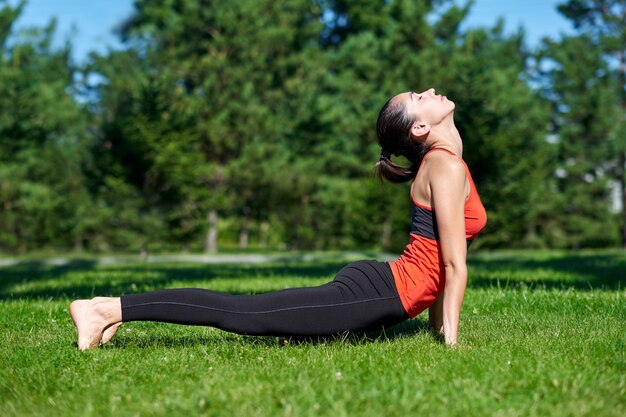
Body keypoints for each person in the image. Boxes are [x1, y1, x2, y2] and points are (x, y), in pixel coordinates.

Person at [70, 88, 487, 350]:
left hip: (382, 287)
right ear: (419, 127)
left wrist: (435, 329)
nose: (429, 91)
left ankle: (109, 312)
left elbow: (443, 263)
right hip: (376, 294)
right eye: (418, 96)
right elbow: (451, 265)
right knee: (245, 314)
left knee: (276, 323)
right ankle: (104, 309)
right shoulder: (445, 166)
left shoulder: (446, 163)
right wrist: (449, 344)